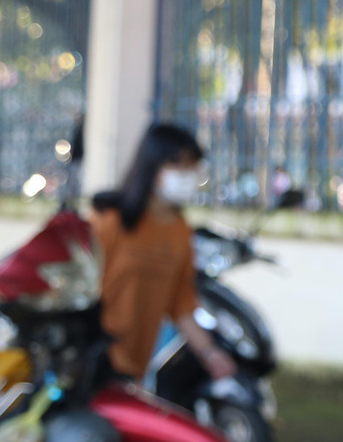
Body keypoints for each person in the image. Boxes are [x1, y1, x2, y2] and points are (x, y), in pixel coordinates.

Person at [91, 124, 236, 383]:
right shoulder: (111, 221)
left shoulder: (180, 231)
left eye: (192, 166)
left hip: (133, 369)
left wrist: (209, 353)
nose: (187, 175)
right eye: (178, 165)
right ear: (152, 166)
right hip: (93, 359)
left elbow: (181, 305)